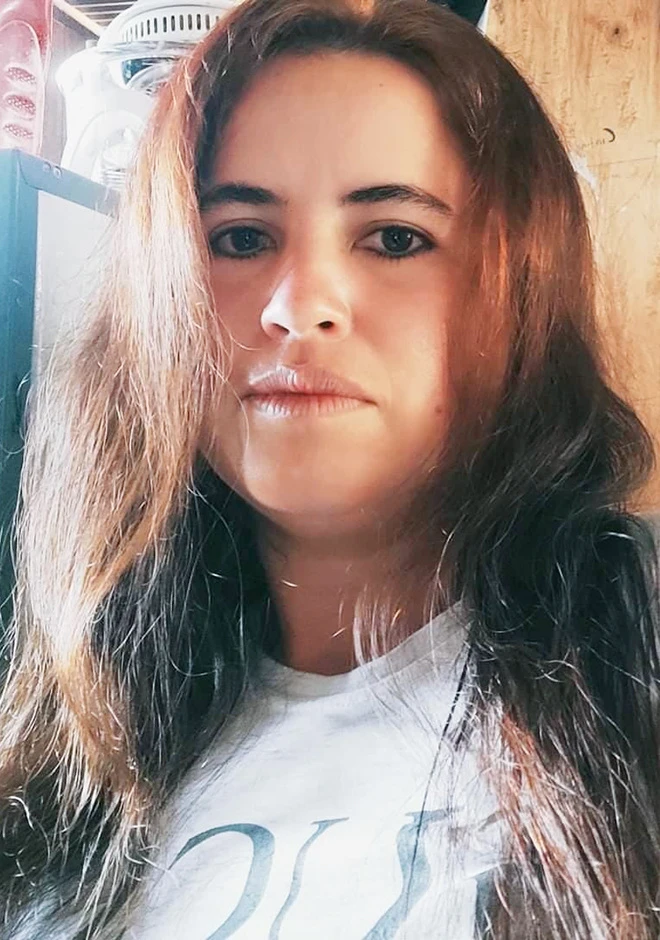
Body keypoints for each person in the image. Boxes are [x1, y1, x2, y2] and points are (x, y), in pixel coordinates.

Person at [1, 0, 659, 937]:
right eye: (240, 237)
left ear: (520, 294)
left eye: (395, 237)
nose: (298, 304)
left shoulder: (636, 644)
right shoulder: (77, 725)